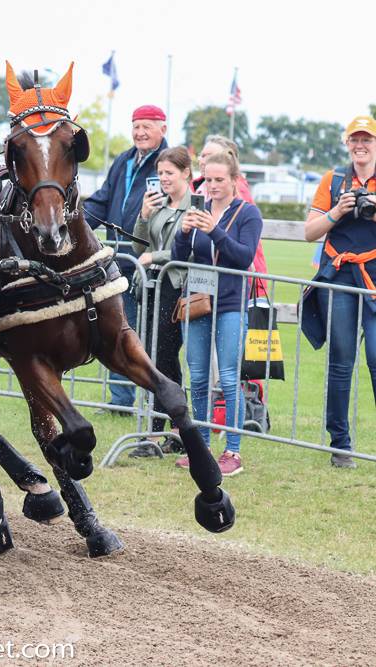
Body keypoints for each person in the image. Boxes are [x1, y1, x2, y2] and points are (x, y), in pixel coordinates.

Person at [172, 151, 263, 476]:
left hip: (229, 304)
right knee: (197, 376)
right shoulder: (199, 209)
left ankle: (233, 452)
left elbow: (243, 256)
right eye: (208, 179)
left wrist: (214, 231)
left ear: (234, 180)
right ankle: (203, 448)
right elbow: (179, 256)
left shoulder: (248, 213)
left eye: (219, 180)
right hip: (197, 300)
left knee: (228, 377)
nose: (212, 186)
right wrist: (183, 232)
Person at [302, 115, 376, 469]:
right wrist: (337, 211)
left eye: (367, 140)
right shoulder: (333, 180)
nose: (360, 145)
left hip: (374, 278)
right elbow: (309, 232)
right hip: (340, 276)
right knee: (341, 362)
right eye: (354, 140)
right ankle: (340, 444)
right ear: (347, 143)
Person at [84, 104, 168, 414]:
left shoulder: (167, 163)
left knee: (150, 335)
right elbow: (103, 200)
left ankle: (156, 400)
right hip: (117, 261)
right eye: (136, 126)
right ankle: (120, 400)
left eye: (147, 126)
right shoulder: (124, 160)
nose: (140, 132)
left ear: (163, 129)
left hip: (151, 263)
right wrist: (75, 224)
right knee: (115, 328)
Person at [128, 147, 194, 457]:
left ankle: (165, 429)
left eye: (170, 173)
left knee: (164, 356)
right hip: (151, 286)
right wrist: (143, 216)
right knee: (152, 356)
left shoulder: (195, 206)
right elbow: (138, 245)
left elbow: (190, 250)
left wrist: (155, 256)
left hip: (176, 286)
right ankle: (172, 428)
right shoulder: (160, 204)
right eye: (160, 173)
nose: (164, 179)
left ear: (186, 173)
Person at [194, 135, 269, 297]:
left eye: (210, 156)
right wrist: (184, 233)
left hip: (233, 289)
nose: (203, 160)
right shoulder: (199, 191)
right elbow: (182, 253)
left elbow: (245, 248)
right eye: (202, 155)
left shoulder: (241, 199)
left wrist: (213, 230)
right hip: (200, 291)